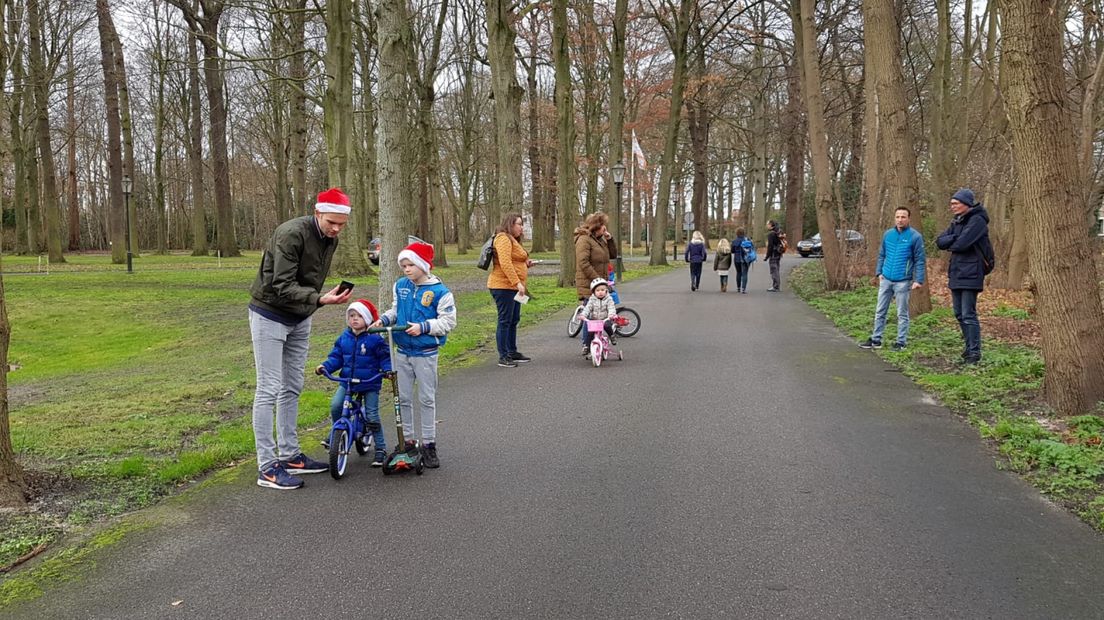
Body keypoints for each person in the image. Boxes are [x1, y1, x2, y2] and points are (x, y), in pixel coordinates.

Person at [249, 187, 355, 490]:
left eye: (341, 224)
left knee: (292, 386)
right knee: (268, 387)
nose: (336, 229)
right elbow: (281, 284)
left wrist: (317, 300)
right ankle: (267, 466)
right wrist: (320, 299)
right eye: (331, 222)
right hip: (269, 314)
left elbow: (311, 277)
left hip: (301, 317)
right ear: (317, 212)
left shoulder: (330, 239)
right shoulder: (290, 234)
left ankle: (290, 454)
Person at [370, 241, 456, 468]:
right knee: (403, 399)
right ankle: (407, 441)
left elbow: (448, 321)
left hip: (425, 353)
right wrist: (385, 320)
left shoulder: (440, 292)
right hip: (402, 351)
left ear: (424, 265)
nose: (407, 269)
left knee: (426, 399)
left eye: (411, 265)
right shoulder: (400, 286)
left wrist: (423, 327)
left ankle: (429, 444)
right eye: (404, 265)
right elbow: (395, 310)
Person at [316, 299, 391, 466]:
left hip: (370, 382)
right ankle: (337, 432)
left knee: (372, 415)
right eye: (351, 315)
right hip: (348, 382)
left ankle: (380, 448)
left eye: (359, 316)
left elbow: (385, 357)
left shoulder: (375, 339)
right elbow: (336, 357)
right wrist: (325, 367)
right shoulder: (344, 338)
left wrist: (387, 371)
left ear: (367, 318)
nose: (354, 319)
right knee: (337, 406)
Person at [859, 207, 927, 352]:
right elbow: (882, 254)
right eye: (897, 217)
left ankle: (901, 342)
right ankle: (876, 340)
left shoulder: (915, 237)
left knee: (901, 313)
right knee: (880, 311)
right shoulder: (888, 234)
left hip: (903, 281)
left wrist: (918, 280)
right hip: (886, 279)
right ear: (894, 218)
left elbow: (920, 260)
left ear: (908, 218)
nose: (900, 219)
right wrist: (879, 272)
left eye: (903, 217)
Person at [936, 188, 990, 365]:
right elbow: (940, 242)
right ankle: (968, 349)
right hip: (957, 272)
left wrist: (953, 239)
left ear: (966, 203)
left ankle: (974, 353)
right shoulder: (957, 221)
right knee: (959, 314)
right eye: (951, 203)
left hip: (972, 273)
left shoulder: (978, 220)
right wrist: (955, 238)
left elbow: (962, 244)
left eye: (955, 203)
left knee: (968, 314)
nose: (952, 207)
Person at [487, 212, 535, 368]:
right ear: (510, 224)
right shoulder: (503, 238)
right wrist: (517, 283)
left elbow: (514, 260)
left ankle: (512, 351)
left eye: (522, 224)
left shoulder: (512, 239)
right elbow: (505, 263)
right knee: (505, 320)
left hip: (514, 287)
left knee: (514, 320)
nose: (521, 227)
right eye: (519, 224)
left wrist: (525, 264)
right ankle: (503, 355)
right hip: (503, 286)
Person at [573, 212, 618, 301]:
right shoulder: (584, 239)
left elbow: (613, 255)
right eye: (603, 225)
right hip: (589, 285)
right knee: (590, 312)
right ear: (596, 226)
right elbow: (583, 262)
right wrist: (598, 279)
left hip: (599, 285)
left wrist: (609, 239)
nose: (605, 228)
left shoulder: (600, 240)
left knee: (604, 312)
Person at [581, 278, 618, 358]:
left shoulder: (608, 299)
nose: (600, 292)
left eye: (602, 290)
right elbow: (588, 308)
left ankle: (612, 336)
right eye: (597, 290)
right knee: (590, 331)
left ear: (606, 290)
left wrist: (611, 314)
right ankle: (586, 346)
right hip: (595, 319)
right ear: (594, 292)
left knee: (607, 326)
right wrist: (583, 315)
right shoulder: (592, 299)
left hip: (605, 319)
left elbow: (611, 307)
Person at [765, 220, 786, 292]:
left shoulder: (771, 234)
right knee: (777, 268)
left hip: (773, 254)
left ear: (771, 225)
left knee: (774, 270)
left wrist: (767, 256)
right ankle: (776, 285)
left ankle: (776, 286)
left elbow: (770, 246)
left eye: (767, 224)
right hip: (779, 253)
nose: (767, 226)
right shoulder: (779, 231)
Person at [730, 227, 752, 294]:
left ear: (737, 233)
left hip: (737, 259)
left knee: (738, 273)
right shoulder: (747, 240)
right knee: (745, 273)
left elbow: (732, 251)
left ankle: (738, 287)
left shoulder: (734, 241)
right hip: (745, 259)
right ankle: (743, 288)